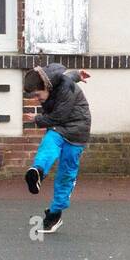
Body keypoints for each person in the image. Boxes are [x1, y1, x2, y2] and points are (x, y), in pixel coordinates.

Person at [22, 63, 91, 234]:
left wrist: (38, 119)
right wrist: (78, 74)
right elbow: (68, 76)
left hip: (77, 131)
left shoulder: (65, 89)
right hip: (59, 128)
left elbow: (58, 116)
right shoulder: (54, 81)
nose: (38, 99)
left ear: (46, 87)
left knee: (66, 174)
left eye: (38, 95)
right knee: (49, 144)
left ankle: (55, 214)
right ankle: (37, 171)